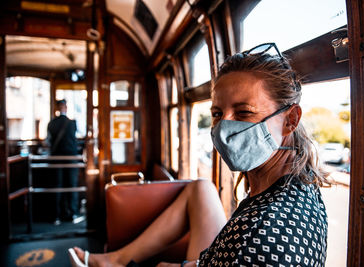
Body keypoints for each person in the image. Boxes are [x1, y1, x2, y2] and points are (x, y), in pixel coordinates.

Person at [69, 43, 329, 266]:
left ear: (290, 120)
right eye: (217, 114)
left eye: (244, 113)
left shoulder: (262, 236)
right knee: (201, 188)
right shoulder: (300, 184)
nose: (224, 129)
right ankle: (115, 260)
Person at [47, 99, 80, 225]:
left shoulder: (51, 123)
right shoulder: (72, 123)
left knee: (57, 187)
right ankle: (72, 214)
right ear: (65, 107)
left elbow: (49, 141)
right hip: (71, 158)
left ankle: (56, 216)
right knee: (71, 186)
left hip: (55, 158)